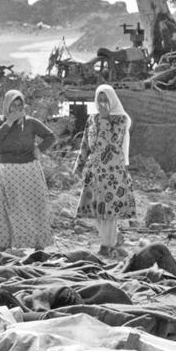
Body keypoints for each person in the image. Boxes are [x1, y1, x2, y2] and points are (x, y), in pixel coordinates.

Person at [74, 84, 136, 257]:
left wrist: (106, 119)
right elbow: (85, 144)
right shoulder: (92, 119)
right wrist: (79, 166)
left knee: (110, 210)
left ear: (112, 100)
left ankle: (107, 245)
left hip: (113, 171)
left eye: (105, 100)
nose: (102, 103)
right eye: (99, 99)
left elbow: (113, 142)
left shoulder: (121, 120)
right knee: (95, 209)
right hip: (94, 171)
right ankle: (107, 241)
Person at [0, 89, 56, 254]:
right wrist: (9, 122)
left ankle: (39, 245)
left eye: (20, 105)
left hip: (28, 170)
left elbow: (50, 136)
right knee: (4, 207)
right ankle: (3, 245)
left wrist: (39, 149)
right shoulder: (0, 121)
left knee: (35, 206)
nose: (17, 109)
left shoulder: (30, 123)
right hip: (5, 171)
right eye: (13, 105)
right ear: (7, 106)